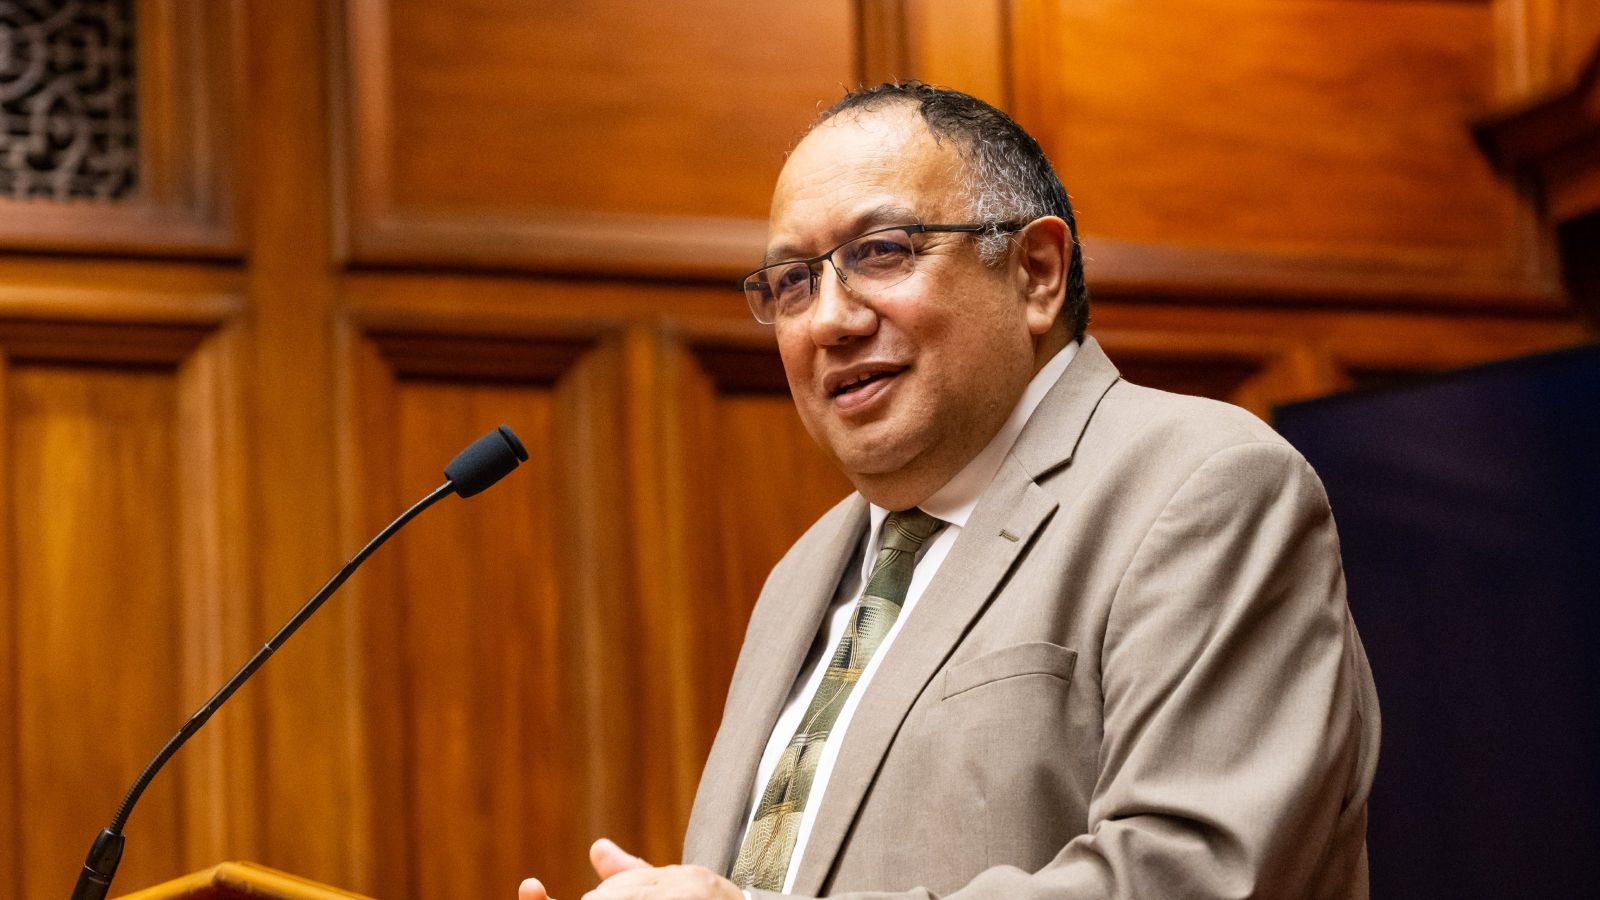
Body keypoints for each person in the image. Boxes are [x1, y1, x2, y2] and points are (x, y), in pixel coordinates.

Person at [519, 82, 1379, 900]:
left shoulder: (1203, 484)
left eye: (881, 253)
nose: (830, 319)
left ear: (1036, 272)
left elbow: (1191, 879)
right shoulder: (805, 573)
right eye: (793, 281)